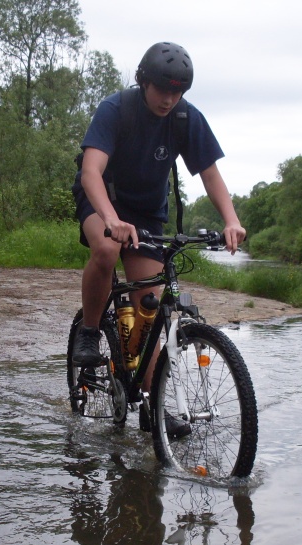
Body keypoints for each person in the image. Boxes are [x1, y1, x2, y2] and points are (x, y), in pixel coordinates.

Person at [71, 42, 246, 432]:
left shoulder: (186, 118)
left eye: (178, 91)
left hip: (148, 213)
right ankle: (88, 332)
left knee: (149, 307)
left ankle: (152, 406)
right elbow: (91, 171)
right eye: (163, 89)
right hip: (103, 199)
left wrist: (231, 220)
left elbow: (210, 174)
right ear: (144, 81)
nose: (169, 99)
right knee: (106, 247)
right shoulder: (117, 109)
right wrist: (111, 218)